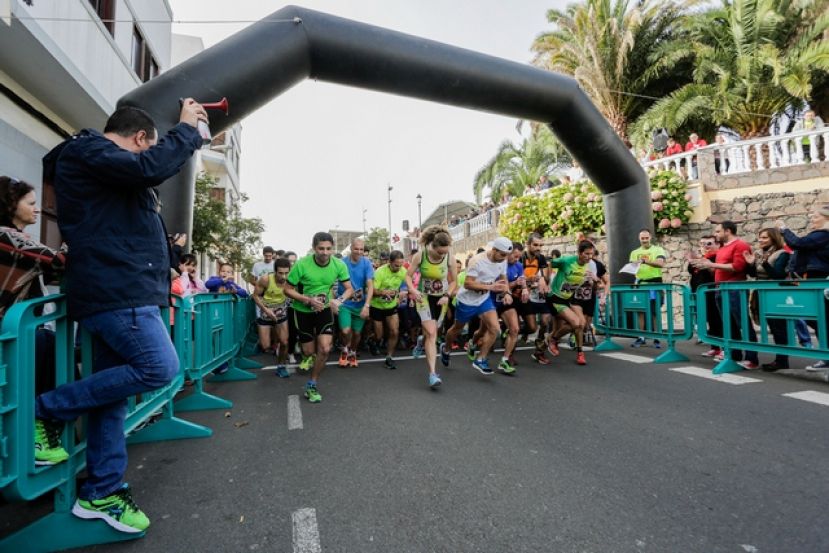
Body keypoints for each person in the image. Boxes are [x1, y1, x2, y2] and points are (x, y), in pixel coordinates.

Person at [35, 100, 207, 533]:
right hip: (116, 292)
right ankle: (46, 413)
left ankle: (101, 492)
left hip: (126, 290)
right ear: (140, 139)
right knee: (161, 367)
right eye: (146, 149)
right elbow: (148, 168)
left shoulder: (109, 171)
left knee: (110, 401)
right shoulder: (88, 150)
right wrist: (186, 130)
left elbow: (133, 210)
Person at [0, 177, 66, 463]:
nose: (37, 210)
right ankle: (36, 443)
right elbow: (58, 264)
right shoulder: (8, 237)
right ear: (11, 205)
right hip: (13, 333)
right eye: (31, 203)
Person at [283, 232, 353, 403]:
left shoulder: (339, 265)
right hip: (303, 311)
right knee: (308, 351)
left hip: (324, 309)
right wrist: (308, 300)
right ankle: (308, 356)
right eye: (321, 248)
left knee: (325, 349)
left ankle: (312, 384)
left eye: (328, 248)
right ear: (314, 248)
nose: (325, 252)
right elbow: (287, 289)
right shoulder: (302, 265)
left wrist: (339, 300)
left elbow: (349, 289)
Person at [690, 221, 759, 369]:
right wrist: (705, 265)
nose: (715, 234)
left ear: (727, 231)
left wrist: (711, 265)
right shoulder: (722, 248)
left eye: (718, 231)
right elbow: (719, 270)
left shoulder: (740, 245)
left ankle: (752, 359)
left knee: (742, 323)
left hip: (735, 289)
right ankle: (734, 355)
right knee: (728, 324)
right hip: (720, 289)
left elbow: (737, 267)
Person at [440, 238, 512, 375]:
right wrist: (490, 287)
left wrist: (507, 292)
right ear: (494, 250)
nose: (504, 258)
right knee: (456, 329)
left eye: (506, 255)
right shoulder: (477, 261)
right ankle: (446, 348)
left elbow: (504, 278)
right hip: (467, 300)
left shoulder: (503, 260)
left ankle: (480, 359)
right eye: (502, 254)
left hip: (484, 300)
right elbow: (468, 284)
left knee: (495, 329)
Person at [778, 205, 829, 371]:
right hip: (813, 280)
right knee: (817, 319)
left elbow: (797, 243)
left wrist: (784, 229)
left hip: (819, 280)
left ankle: (826, 357)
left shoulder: (822, 234)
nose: (812, 219)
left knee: (819, 319)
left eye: (815, 216)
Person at [407, 226, 456, 388]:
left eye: (445, 252)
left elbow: (454, 282)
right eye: (440, 252)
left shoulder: (449, 257)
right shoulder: (421, 256)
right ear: (432, 247)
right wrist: (413, 290)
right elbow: (408, 276)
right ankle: (433, 374)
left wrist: (447, 295)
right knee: (432, 333)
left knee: (433, 332)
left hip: (441, 298)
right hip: (424, 297)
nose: (443, 254)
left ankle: (421, 342)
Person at [744, 228, 790, 371]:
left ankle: (782, 361)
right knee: (773, 327)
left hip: (776, 295)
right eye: (760, 237)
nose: (760, 240)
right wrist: (751, 264)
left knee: (779, 328)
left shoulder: (782, 254)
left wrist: (764, 263)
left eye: (764, 237)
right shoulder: (759, 254)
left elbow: (778, 275)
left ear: (773, 238)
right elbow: (754, 274)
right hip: (762, 294)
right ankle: (780, 360)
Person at [544, 241, 597, 366]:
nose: (589, 257)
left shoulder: (590, 265)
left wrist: (594, 281)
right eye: (586, 254)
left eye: (591, 254)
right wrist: (545, 281)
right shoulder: (567, 261)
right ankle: (552, 340)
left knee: (579, 325)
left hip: (569, 299)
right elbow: (547, 262)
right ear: (579, 253)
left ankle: (579, 352)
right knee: (576, 322)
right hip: (555, 297)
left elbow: (593, 286)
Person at [370, 251, 415, 371]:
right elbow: (371, 291)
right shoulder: (380, 272)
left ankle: (389, 357)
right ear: (390, 262)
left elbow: (410, 285)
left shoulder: (403, 271)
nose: (399, 267)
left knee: (395, 331)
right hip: (377, 306)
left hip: (391, 306)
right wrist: (383, 292)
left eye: (401, 265)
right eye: (396, 265)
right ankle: (372, 341)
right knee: (379, 335)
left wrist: (411, 293)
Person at [337, 239, 374, 368]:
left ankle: (352, 352)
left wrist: (367, 306)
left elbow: (370, 285)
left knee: (357, 333)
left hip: (360, 304)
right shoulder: (342, 263)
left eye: (361, 249)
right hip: (345, 303)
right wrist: (334, 302)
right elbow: (331, 283)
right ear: (351, 249)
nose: (359, 252)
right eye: (356, 249)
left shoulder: (367, 263)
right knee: (346, 331)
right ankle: (345, 349)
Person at [252, 258, 292, 377]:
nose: (283, 276)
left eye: (286, 273)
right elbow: (255, 296)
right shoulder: (265, 279)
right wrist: (266, 310)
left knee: (284, 342)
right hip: (265, 313)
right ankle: (274, 336)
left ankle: (281, 366)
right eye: (280, 273)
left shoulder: (291, 280)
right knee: (266, 346)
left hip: (281, 313)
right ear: (275, 271)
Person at [493, 242, 527, 374]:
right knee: (489, 332)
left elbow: (522, 280)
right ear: (508, 254)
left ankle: (504, 360)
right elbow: (501, 285)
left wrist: (524, 289)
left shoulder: (519, 266)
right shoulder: (498, 265)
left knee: (515, 329)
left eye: (519, 257)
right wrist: (514, 284)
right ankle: (473, 342)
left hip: (506, 301)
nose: (517, 259)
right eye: (515, 256)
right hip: (491, 300)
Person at [629, 229, 666, 349]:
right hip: (641, 284)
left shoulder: (658, 249)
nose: (644, 240)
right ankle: (641, 337)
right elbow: (632, 268)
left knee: (655, 311)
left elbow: (661, 264)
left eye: (646, 238)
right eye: (642, 238)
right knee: (640, 311)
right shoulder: (634, 252)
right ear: (639, 239)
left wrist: (645, 261)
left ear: (651, 238)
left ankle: (656, 337)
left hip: (655, 284)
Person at [688, 236, 723, 359]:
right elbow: (692, 271)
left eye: (709, 243)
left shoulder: (717, 256)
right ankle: (715, 347)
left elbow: (714, 272)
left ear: (717, 244)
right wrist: (693, 260)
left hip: (713, 292)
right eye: (702, 243)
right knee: (710, 321)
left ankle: (723, 348)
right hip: (700, 293)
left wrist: (705, 263)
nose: (705, 246)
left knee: (718, 321)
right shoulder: (702, 257)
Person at [520, 233, 552, 365]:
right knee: (532, 327)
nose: (538, 248)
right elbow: (518, 276)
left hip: (538, 293)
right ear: (528, 245)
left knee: (545, 322)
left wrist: (543, 281)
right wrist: (528, 282)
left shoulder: (541, 258)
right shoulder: (521, 258)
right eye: (535, 245)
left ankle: (539, 351)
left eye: (540, 245)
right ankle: (517, 330)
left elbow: (545, 277)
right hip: (524, 292)